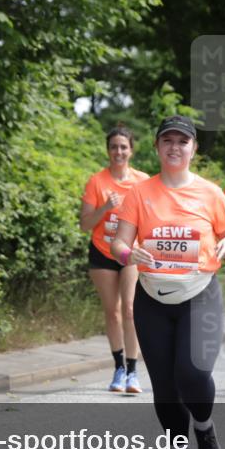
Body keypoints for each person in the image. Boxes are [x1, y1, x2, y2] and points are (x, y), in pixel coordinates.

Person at [111, 115, 225, 449]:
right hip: (152, 297)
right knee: (166, 388)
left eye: (182, 141)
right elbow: (118, 244)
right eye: (167, 140)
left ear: (193, 149)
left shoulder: (210, 193)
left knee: (193, 373)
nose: (174, 147)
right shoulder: (139, 193)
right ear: (156, 147)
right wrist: (128, 253)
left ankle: (204, 428)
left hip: (200, 294)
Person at [80, 127, 149, 393]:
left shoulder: (142, 182)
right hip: (102, 252)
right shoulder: (96, 182)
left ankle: (133, 371)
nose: (118, 152)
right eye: (114, 147)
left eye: (123, 147)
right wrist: (106, 208)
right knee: (113, 312)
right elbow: (84, 225)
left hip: (131, 253)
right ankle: (118, 368)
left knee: (131, 309)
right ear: (108, 150)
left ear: (131, 150)